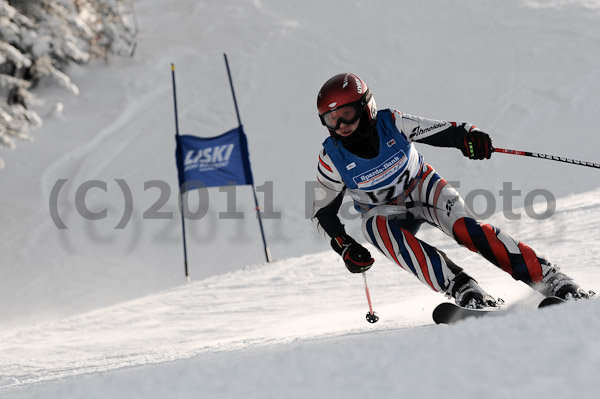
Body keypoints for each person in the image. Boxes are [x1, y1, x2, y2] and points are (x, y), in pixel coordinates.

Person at [311, 72, 593, 308]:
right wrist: (344, 246)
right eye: (331, 119)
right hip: (385, 211)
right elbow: (322, 212)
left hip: (423, 188)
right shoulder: (332, 159)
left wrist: (470, 138)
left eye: (346, 114)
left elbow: (445, 130)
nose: (341, 126)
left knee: (467, 230)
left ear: (366, 107)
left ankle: (550, 278)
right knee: (372, 226)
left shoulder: (392, 123)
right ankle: (462, 288)